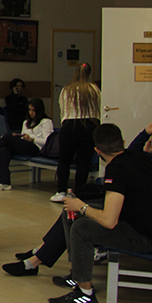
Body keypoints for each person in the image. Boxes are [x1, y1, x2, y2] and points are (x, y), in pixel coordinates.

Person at [2, 116, 152, 279]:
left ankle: (49, 262)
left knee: (80, 217)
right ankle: (44, 256)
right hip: (142, 216)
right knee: (73, 210)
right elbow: (133, 156)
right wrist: (146, 137)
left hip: (146, 230)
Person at [48, 124, 152, 303]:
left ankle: (84, 295)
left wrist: (81, 206)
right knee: (70, 213)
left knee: (81, 228)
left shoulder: (116, 169)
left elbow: (109, 221)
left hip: (145, 238)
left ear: (97, 151)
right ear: (122, 142)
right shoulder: (138, 157)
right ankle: (78, 275)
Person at [51, 63, 100, 203]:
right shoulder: (94, 89)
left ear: (75, 72)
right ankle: (79, 192)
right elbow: (99, 107)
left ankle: (61, 191)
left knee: (64, 160)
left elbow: (62, 109)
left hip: (70, 125)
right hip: (90, 125)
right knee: (83, 162)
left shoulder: (67, 89)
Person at [0, 97, 53, 191]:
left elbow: (48, 141)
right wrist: (20, 137)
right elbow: (23, 137)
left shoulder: (46, 122)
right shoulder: (26, 122)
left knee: (7, 138)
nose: (31, 113)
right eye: (30, 110)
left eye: (33, 110)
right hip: (25, 145)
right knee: (4, 149)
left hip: (36, 147)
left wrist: (32, 139)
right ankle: (3, 182)